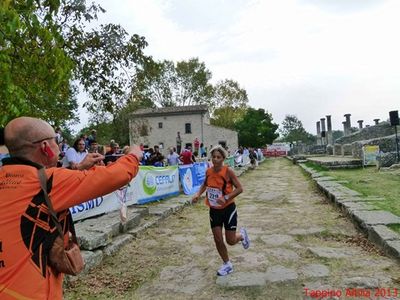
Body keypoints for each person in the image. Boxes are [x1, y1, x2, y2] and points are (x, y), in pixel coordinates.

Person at [0, 116, 143, 299]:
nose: (59, 147)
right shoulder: (49, 181)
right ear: (45, 147)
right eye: (56, 141)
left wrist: (79, 169)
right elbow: (116, 175)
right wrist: (133, 155)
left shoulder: (12, 179)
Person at [191, 145, 250, 276]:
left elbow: (240, 188)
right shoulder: (209, 171)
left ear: (223, 158)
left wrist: (226, 197)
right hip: (214, 210)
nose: (215, 159)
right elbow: (205, 184)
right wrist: (197, 194)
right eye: (214, 157)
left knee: (230, 240)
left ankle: (241, 236)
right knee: (217, 239)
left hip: (228, 209)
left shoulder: (228, 171)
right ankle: (227, 264)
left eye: (218, 157)